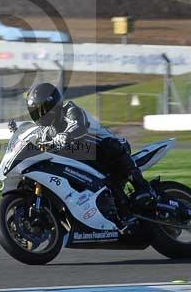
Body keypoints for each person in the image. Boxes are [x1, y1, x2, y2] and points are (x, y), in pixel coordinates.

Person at [22, 82, 155, 226]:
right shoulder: (47, 131)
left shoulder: (71, 111)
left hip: (110, 150)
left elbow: (78, 127)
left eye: (42, 110)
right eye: (36, 111)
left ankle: (142, 186)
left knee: (109, 146)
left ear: (52, 105)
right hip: (86, 159)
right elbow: (36, 142)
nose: (40, 115)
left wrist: (66, 135)